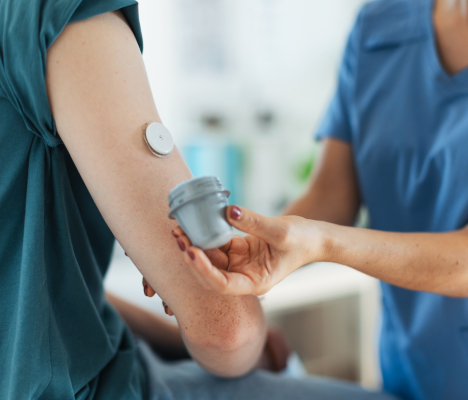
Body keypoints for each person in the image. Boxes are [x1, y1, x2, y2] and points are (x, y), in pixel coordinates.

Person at [169, 0, 468, 399]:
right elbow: (330, 196)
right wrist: (237, 250)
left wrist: (322, 243)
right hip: (411, 369)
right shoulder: (381, 22)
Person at [0, 0, 397, 399]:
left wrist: (178, 333)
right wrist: (248, 339)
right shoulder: (61, 17)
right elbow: (225, 329)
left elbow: (38, 306)